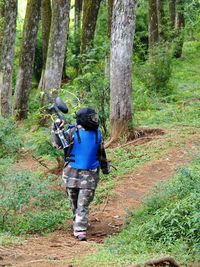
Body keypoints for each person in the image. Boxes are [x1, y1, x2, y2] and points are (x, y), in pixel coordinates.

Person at [51, 107, 110, 241]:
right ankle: (79, 222)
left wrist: (105, 167)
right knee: (75, 204)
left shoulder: (97, 134)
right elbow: (58, 145)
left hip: (90, 175)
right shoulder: (72, 132)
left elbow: (101, 152)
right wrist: (56, 129)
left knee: (83, 204)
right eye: (92, 118)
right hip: (71, 174)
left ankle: (80, 230)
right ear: (85, 119)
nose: (95, 120)